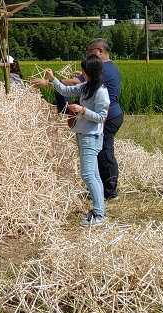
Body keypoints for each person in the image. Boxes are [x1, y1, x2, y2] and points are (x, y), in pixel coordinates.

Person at [32, 38, 123, 200]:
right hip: (108, 115)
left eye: (89, 52)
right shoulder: (106, 70)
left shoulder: (102, 73)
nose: (87, 55)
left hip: (108, 116)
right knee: (99, 157)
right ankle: (100, 192)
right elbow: (68, 89)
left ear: (100, 51)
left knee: (105, 154)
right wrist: (54, 79)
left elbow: (73, 84)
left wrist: (47, 83)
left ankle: (109, 192)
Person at [42, 55, 110, 226]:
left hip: (91, 136)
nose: (83, 74)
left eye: (85, 71)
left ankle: (99, 215)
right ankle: (98, 210)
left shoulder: (101, 91)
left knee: (87, 174)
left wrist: (83, 110)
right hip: (82, 134)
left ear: (92, 72)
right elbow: (66, 91)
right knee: (93, 174)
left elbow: (102, 117)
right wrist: (53, 79)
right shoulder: (87, 87)